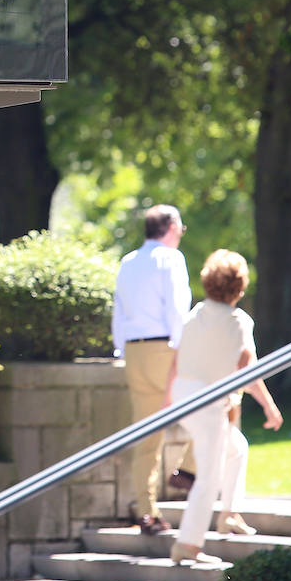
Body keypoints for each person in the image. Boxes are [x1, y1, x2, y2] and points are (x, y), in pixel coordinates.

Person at [168, 249, 283, 564]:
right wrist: (270, 407)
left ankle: (229, 514)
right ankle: (187, 545)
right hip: (207, 404)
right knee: (208, 476)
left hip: (184, 397)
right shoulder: (239, 321)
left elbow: (177, 360)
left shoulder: (194, 315)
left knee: (237, 449)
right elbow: (249, 373)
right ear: (240, 288)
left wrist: (167, 397)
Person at [112, 204, 192, 534]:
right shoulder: (171, 259)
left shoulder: (128, 262)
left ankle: (147, 512)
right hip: (165, 348)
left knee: (146, 435)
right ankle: (190, 469)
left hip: (134, 350)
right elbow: (176, 307)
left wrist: (122, 348)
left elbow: (119, 310)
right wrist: (182, 349)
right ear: (171, 228)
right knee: (212, 406)